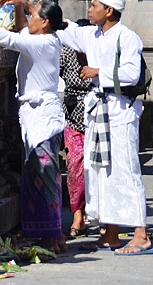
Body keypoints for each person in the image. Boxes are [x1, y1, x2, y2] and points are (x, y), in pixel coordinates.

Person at [57, 0, 153, 255]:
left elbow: (131, 74)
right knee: (101, 172)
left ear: (109, 10)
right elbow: (68, 32)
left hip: (120, 112)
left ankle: (141, 234)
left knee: (126, 170)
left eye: (94, 6)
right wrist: (32, 10)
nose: (89, 9)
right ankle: (110, 234)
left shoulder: (128, 37)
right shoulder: (93, 35)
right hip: (99, 112)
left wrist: (97, 71)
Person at [0, 0, 67, 253]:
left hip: (42, 119)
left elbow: (10, 38)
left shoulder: (43, 44)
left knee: (46, 177)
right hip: (38, 117)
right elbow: (21, 31)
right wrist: (20, 6)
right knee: (38, 175)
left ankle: (51, 236)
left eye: (33, 16)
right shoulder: (42, 38)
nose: (29, 20)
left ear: (45, 23)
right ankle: (54, 235)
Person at [59, 43, 93, 239]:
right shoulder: (66, 54)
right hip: (73, 119)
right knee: (74, 165)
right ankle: (77, 217)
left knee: (98, 168)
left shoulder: (98, 50)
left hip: (98, 119)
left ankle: (103, 218)